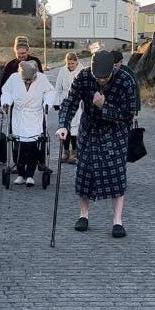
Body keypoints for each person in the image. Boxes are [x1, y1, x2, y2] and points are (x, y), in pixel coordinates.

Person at [57, 52, 138, 238]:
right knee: (84, 173)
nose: (101, 80)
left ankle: (117, 221)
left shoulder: (125, 81)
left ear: (113, 69)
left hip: (115, 132)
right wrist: (63, 125)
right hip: (89, 130)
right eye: (97, 77)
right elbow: (70, 102)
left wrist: (104, 106)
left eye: (105, 77)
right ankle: (83, 215)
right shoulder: (83, 76)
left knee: (117, 175)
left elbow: (128, 115)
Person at [0, 60, 56, 186]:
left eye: (30, 80)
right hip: (19, 116)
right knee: (18, 146)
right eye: (25, 80)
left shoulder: (41, 78)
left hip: (34, 116)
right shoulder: (14, 78)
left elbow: (50, 91)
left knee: (32, 146)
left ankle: (30, 175)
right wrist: (6, 103)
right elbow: (6, 91)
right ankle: (21, 174)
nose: (28, 82)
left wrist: (47, 102)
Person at [52, 52, 83, 163]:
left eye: (72, 63)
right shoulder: (62, 71)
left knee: (75, 127)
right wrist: (56, 102)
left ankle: (74, 151)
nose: (70, 66)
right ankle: (66, 151)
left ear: (76, 62)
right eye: (68, 63)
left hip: (77, 101)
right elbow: (58, 87)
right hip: (64, 100)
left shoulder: (82, 71)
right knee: (64, 127)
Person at [0, 36, 43, 105]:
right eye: (18, 53)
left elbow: (42, 81)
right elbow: (3, 85)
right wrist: (0, 104)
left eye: (23, 53)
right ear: (15, 51)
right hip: (16, 103)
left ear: (27, 51)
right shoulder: (10, 65)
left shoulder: (35, 61)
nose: (21, 56)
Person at [112, 49, 141, 118]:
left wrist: (135, 110)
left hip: (125, 106)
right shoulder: (104, 71)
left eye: (118, 63)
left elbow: (135, 89)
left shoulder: (127, 71)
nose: (115, 66)